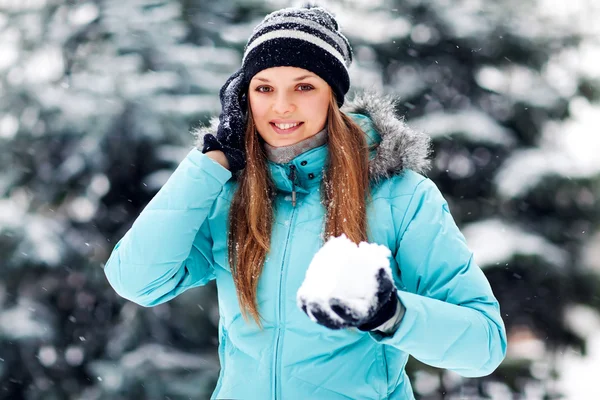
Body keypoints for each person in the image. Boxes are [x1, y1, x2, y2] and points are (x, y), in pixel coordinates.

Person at [103, 5, 507, 399]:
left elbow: (484, 345)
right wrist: (212, 160)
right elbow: (136, 280)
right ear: (243, 98)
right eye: (263, 88)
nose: (281, 106)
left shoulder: (400, 196)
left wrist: (392, 315)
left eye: (304, 86)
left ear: (333, 95)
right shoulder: (226, 193)